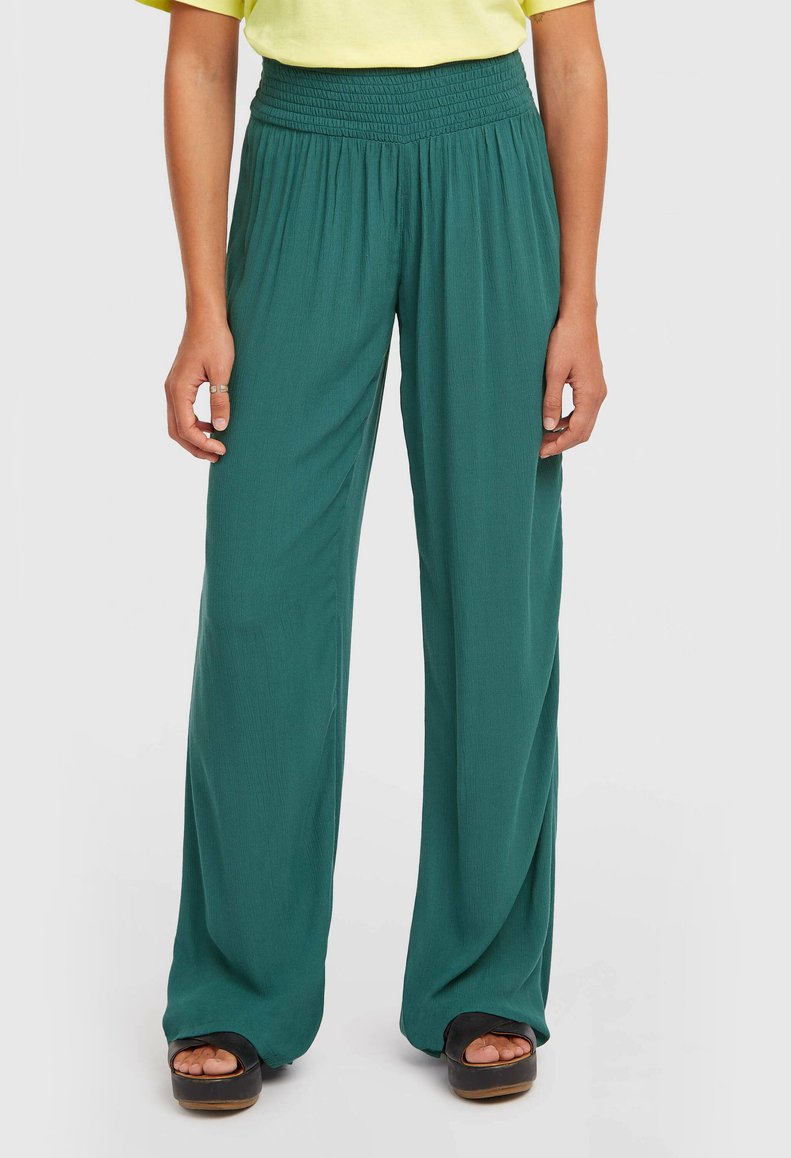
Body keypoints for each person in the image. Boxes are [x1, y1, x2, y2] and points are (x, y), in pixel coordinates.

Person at [135, 0, 608, 1108]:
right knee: (257, 594)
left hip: (487, 159)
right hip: (302, 161)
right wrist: (202, 303)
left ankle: (484, 978)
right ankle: (238, 985)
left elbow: (571, 55)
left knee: (497, 587)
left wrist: (579, 300)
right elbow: (197, 59)